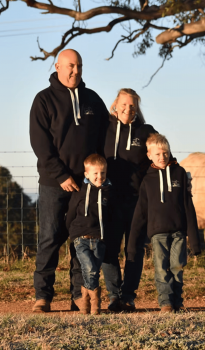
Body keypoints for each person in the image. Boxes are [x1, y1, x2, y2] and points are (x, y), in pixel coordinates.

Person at [30, 49, 109, 312]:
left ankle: (79, 295)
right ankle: (43, 296)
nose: (75, 71)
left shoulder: (93, 101)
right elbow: (41, 144)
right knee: (50, 238)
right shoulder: (43, 100)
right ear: (58, 67)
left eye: (79, 66)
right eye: (70, 66)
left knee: (82, 239)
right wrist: (61, 174)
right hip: (54, 183)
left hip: (85, 187)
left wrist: (96, 176)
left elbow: (102, 141)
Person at [127, 134, 201, 313]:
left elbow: (187, 205)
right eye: (158, 154)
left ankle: (177, 302)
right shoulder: (147, 180)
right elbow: (140, 212)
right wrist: (132, 242)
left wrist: (195, 239)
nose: (162, 157)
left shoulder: (180, 173)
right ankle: (165, 303)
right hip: (157, 233)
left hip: (178, 233)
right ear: (149, 155)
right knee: (161, 268)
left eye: (165, 152)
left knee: (177, 266)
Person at [102, 88, 157, 311]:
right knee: (109, 249)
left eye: (133, 105)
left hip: (136, 202)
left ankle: (128, 296)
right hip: (109, 200)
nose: (128, 108)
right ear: (115, 104)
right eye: (124, 104)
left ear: (137, 109)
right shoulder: (102, 128)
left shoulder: (145, 131)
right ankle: (114, 296)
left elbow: (162, 156)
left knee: (134, 250)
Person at [66, 154, 112, 315]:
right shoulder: (80, 191)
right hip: (81, 238)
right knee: (90, 269)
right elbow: (71, 213)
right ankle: (95, 305)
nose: (100, 177)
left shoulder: (108, 192)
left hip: (99, 239)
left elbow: (111, 216)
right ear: (87, 174)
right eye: (95, 173)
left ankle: (85, 302)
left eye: (103, 173)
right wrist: (72, 232)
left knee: (93, 271)